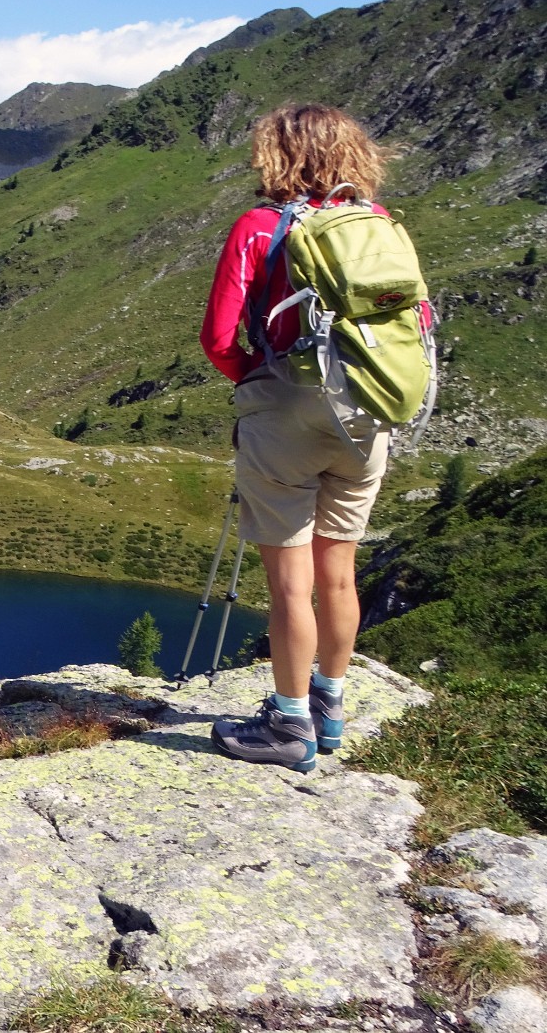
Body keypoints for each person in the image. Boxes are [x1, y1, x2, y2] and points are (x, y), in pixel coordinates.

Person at [199, 103, 392, 773]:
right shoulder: (379, 226)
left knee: (289, 582)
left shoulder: (260, 228)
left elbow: (220, 338)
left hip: (286, 411)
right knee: (340, 573)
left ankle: (287, 725)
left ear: (277, 155)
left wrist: (258, 379)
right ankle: (330, 708)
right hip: (368, 413)